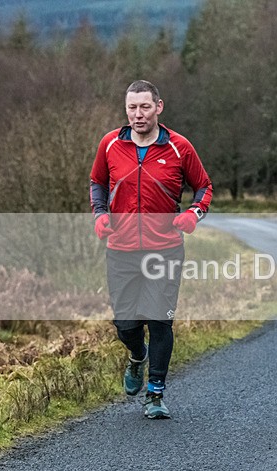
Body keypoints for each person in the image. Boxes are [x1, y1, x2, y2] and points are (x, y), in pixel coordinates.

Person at [89, 80, 212, 420]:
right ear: (126, 109)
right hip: (122, 249)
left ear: (159, 107)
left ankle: (155, 393)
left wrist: (193, 214)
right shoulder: (110, 144)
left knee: (160, 321)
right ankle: (136, 355)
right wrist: (100, 215)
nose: (138, 114)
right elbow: (97, 182)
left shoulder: (179, 147)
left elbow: (204, 187)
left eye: (145, 107)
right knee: (125, 323)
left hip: (165, 249)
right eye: (132, 108)